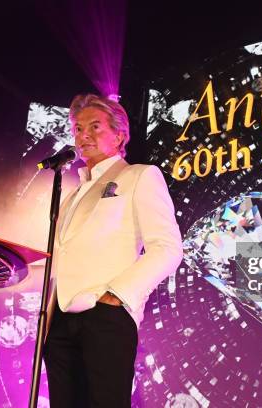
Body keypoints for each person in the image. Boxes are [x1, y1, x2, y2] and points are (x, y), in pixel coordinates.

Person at [43, 93, 183, 407]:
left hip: (106, 316)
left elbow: (168, 248)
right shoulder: (71, 195)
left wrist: (115, 297)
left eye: (95, 126)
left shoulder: (139, 176)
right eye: (78, 129)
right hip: (60, 323)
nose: (84, 135)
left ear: (119, 135)